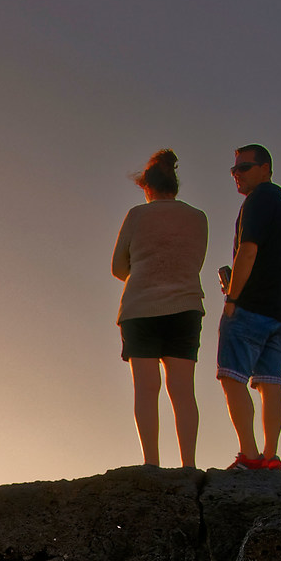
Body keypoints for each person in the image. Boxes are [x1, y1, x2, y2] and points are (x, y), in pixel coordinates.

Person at [109, 149, 208, 467]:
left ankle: (151, 463)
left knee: (147, 388)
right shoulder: (198, 217)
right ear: (174, 186)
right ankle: (188, 466)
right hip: (185, 305)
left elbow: (117, 267)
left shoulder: (137, 215)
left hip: (141, 308)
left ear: (146, 187)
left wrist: (141, 272)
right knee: (182, 390)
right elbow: (195, 261)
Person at [217, 143, 281, 470]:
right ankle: (271, 456)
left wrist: (232, 298)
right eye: (234, 169)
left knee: (232, 377)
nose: (236, 175)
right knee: (270, 382)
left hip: (251, 306)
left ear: (265, 168)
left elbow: (248, 251)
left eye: (244, 168)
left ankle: (249, 456)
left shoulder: (258, 201)